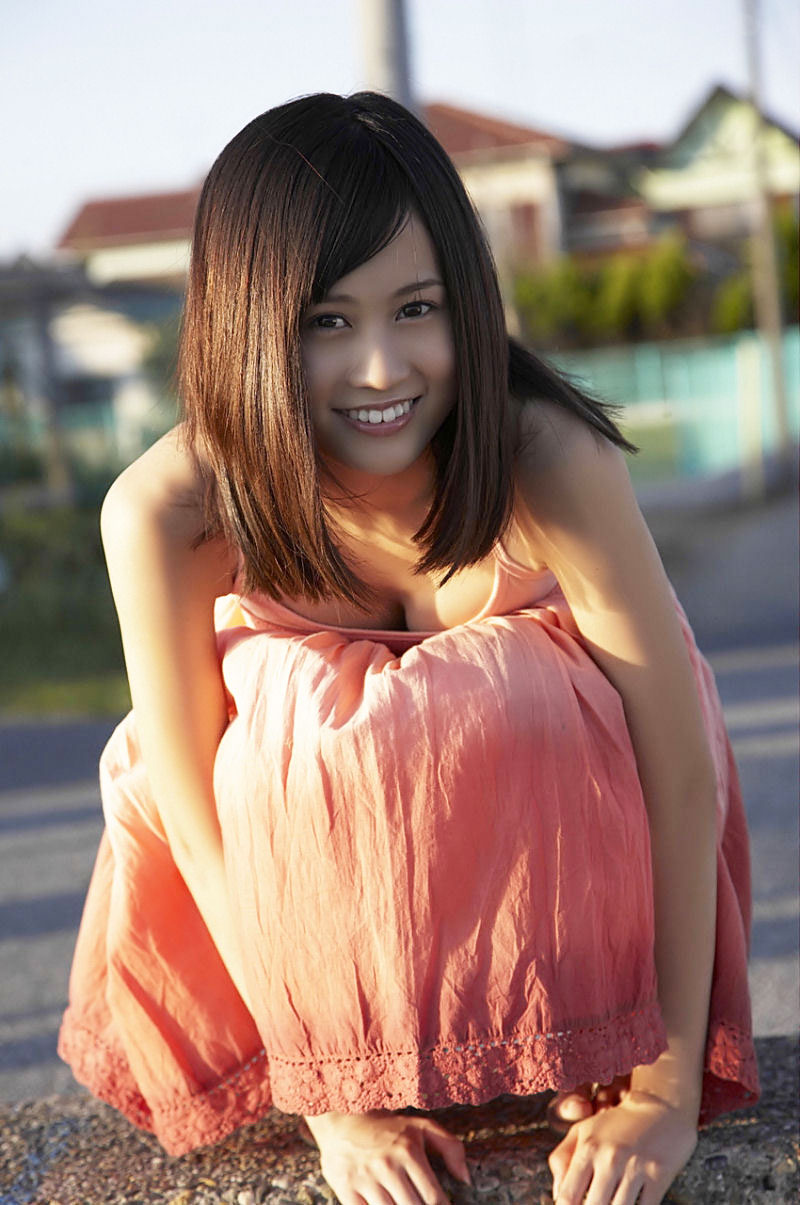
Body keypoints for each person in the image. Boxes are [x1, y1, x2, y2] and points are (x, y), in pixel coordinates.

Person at [59, 92, 758, 1205]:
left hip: (573, 926)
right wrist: (333, 1105)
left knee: (530, 693)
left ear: (466, 302)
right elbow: (191, 824)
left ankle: (574, 1029)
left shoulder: (547, 459)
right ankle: (369, 1054)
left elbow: (679, 771)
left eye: (417, 308)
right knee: (209, 742)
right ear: (246, 321)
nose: (382, 369)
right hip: (316, 959)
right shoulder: (170, 511)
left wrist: (663, 1092)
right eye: (326, 322)